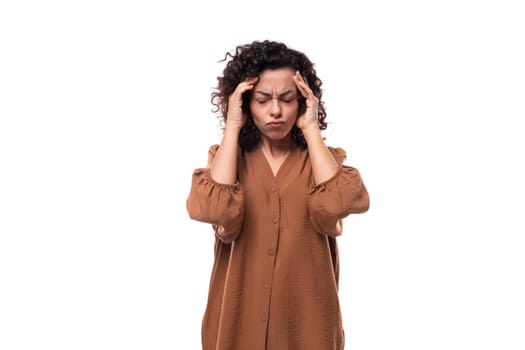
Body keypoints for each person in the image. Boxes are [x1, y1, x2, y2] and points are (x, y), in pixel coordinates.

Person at [186, 40, 370, 350]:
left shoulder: (322, 160)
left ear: (303, 102)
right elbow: (213, 209)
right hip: (237, 326)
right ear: (246, 103)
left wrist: (311, 129)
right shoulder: (228, 161)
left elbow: (339, 203)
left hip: (307, 328)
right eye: (261, 100)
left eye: (287, 99)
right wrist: (232, 124)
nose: (275, 110)